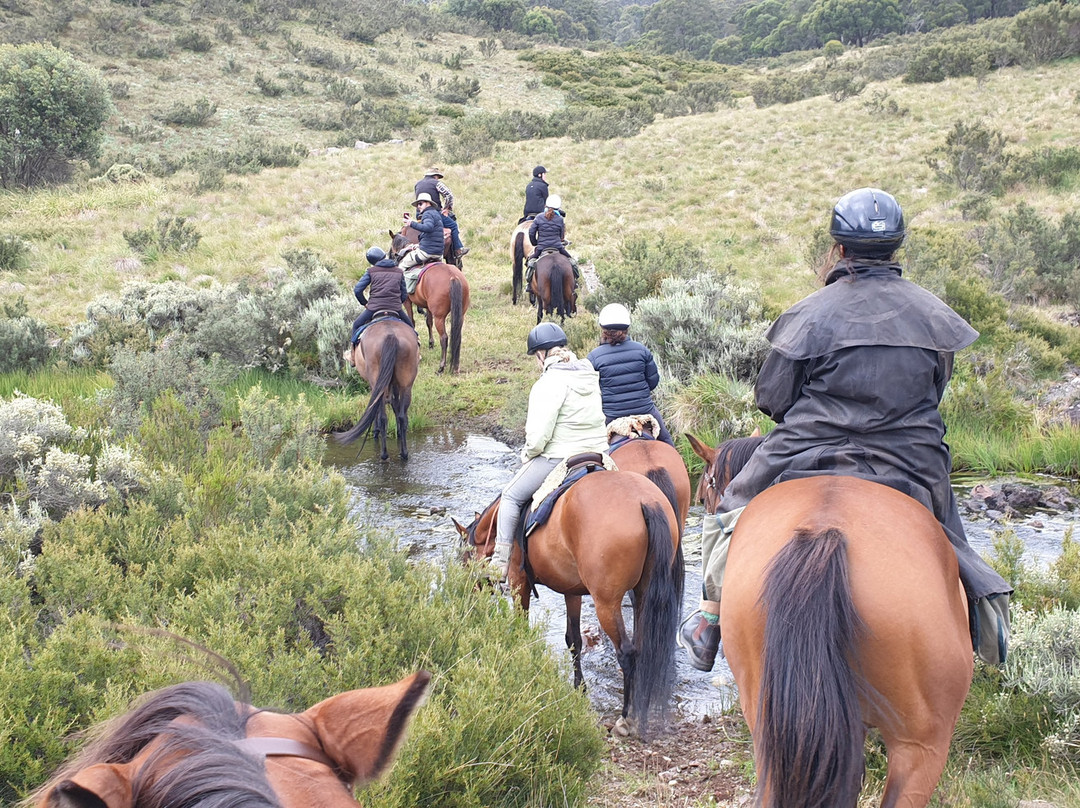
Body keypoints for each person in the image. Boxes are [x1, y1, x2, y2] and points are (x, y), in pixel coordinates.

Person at [678, 187, 1012, 672]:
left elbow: (772, 400)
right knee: (948, 531)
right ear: (897, 248)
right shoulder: (934, 315)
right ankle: (987, 619)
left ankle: (711, 617)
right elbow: (936, 389)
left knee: (731, 506)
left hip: (806, 447)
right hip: (911, 453)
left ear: (838, 249)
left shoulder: (810, 312)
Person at [490, 322, 609, 582]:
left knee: (510, 496)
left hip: (560, 456)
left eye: (535, 356)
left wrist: (528, 454)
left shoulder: (547, 383)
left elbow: (538, 437)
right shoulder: (588, 371)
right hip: (600, 452)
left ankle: (499, 564)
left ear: (541, 354)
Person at [587, 303, 674, 446]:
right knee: (667, 442)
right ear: (627, 328)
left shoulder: (593, 357)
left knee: (593, 450)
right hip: (645, 410)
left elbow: (591, 392)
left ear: (603, 329)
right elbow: (653, 382)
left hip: (611, 416)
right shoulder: (642, 350)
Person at [350, 246, 414, 343]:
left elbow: (357, 290)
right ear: (384, 255)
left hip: (374, 308)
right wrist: (396, 302)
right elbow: (404, 294)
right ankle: (417, 352)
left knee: (356, 325)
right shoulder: (399, 271)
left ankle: (352, 353)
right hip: (395, 308)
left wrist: (365, 303)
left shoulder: (371, 271)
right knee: (411, 328)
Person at [414, 167, 468, 258]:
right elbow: (449, 195)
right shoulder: (437, 183)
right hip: (433, 213)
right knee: (453, 226)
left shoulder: (417, 184)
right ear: (435, 176)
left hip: (419, 214)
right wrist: (447, 208)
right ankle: (458, 249)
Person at [526, 194, 579, 287]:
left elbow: (531, 232)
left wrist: (535, 243)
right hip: (558, 247)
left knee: (530, 263)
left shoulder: (538, 217)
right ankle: (575, 283)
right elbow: (561, 236)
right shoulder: (560, 219)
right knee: (572, 262)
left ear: (546, 205)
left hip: (541, 248)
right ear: (558, 207)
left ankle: (529, 285)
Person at [399, 192, 446, 294]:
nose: (418, 207)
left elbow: (428, 228)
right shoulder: (436, 214)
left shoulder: (427, 214)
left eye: (420, 204)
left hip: (427, 252)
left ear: (428, 203)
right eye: (417, 205)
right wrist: (418, 245)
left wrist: (411, 223)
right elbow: (432, 236)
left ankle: (402, 293)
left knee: (401, 266)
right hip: (438, 253)